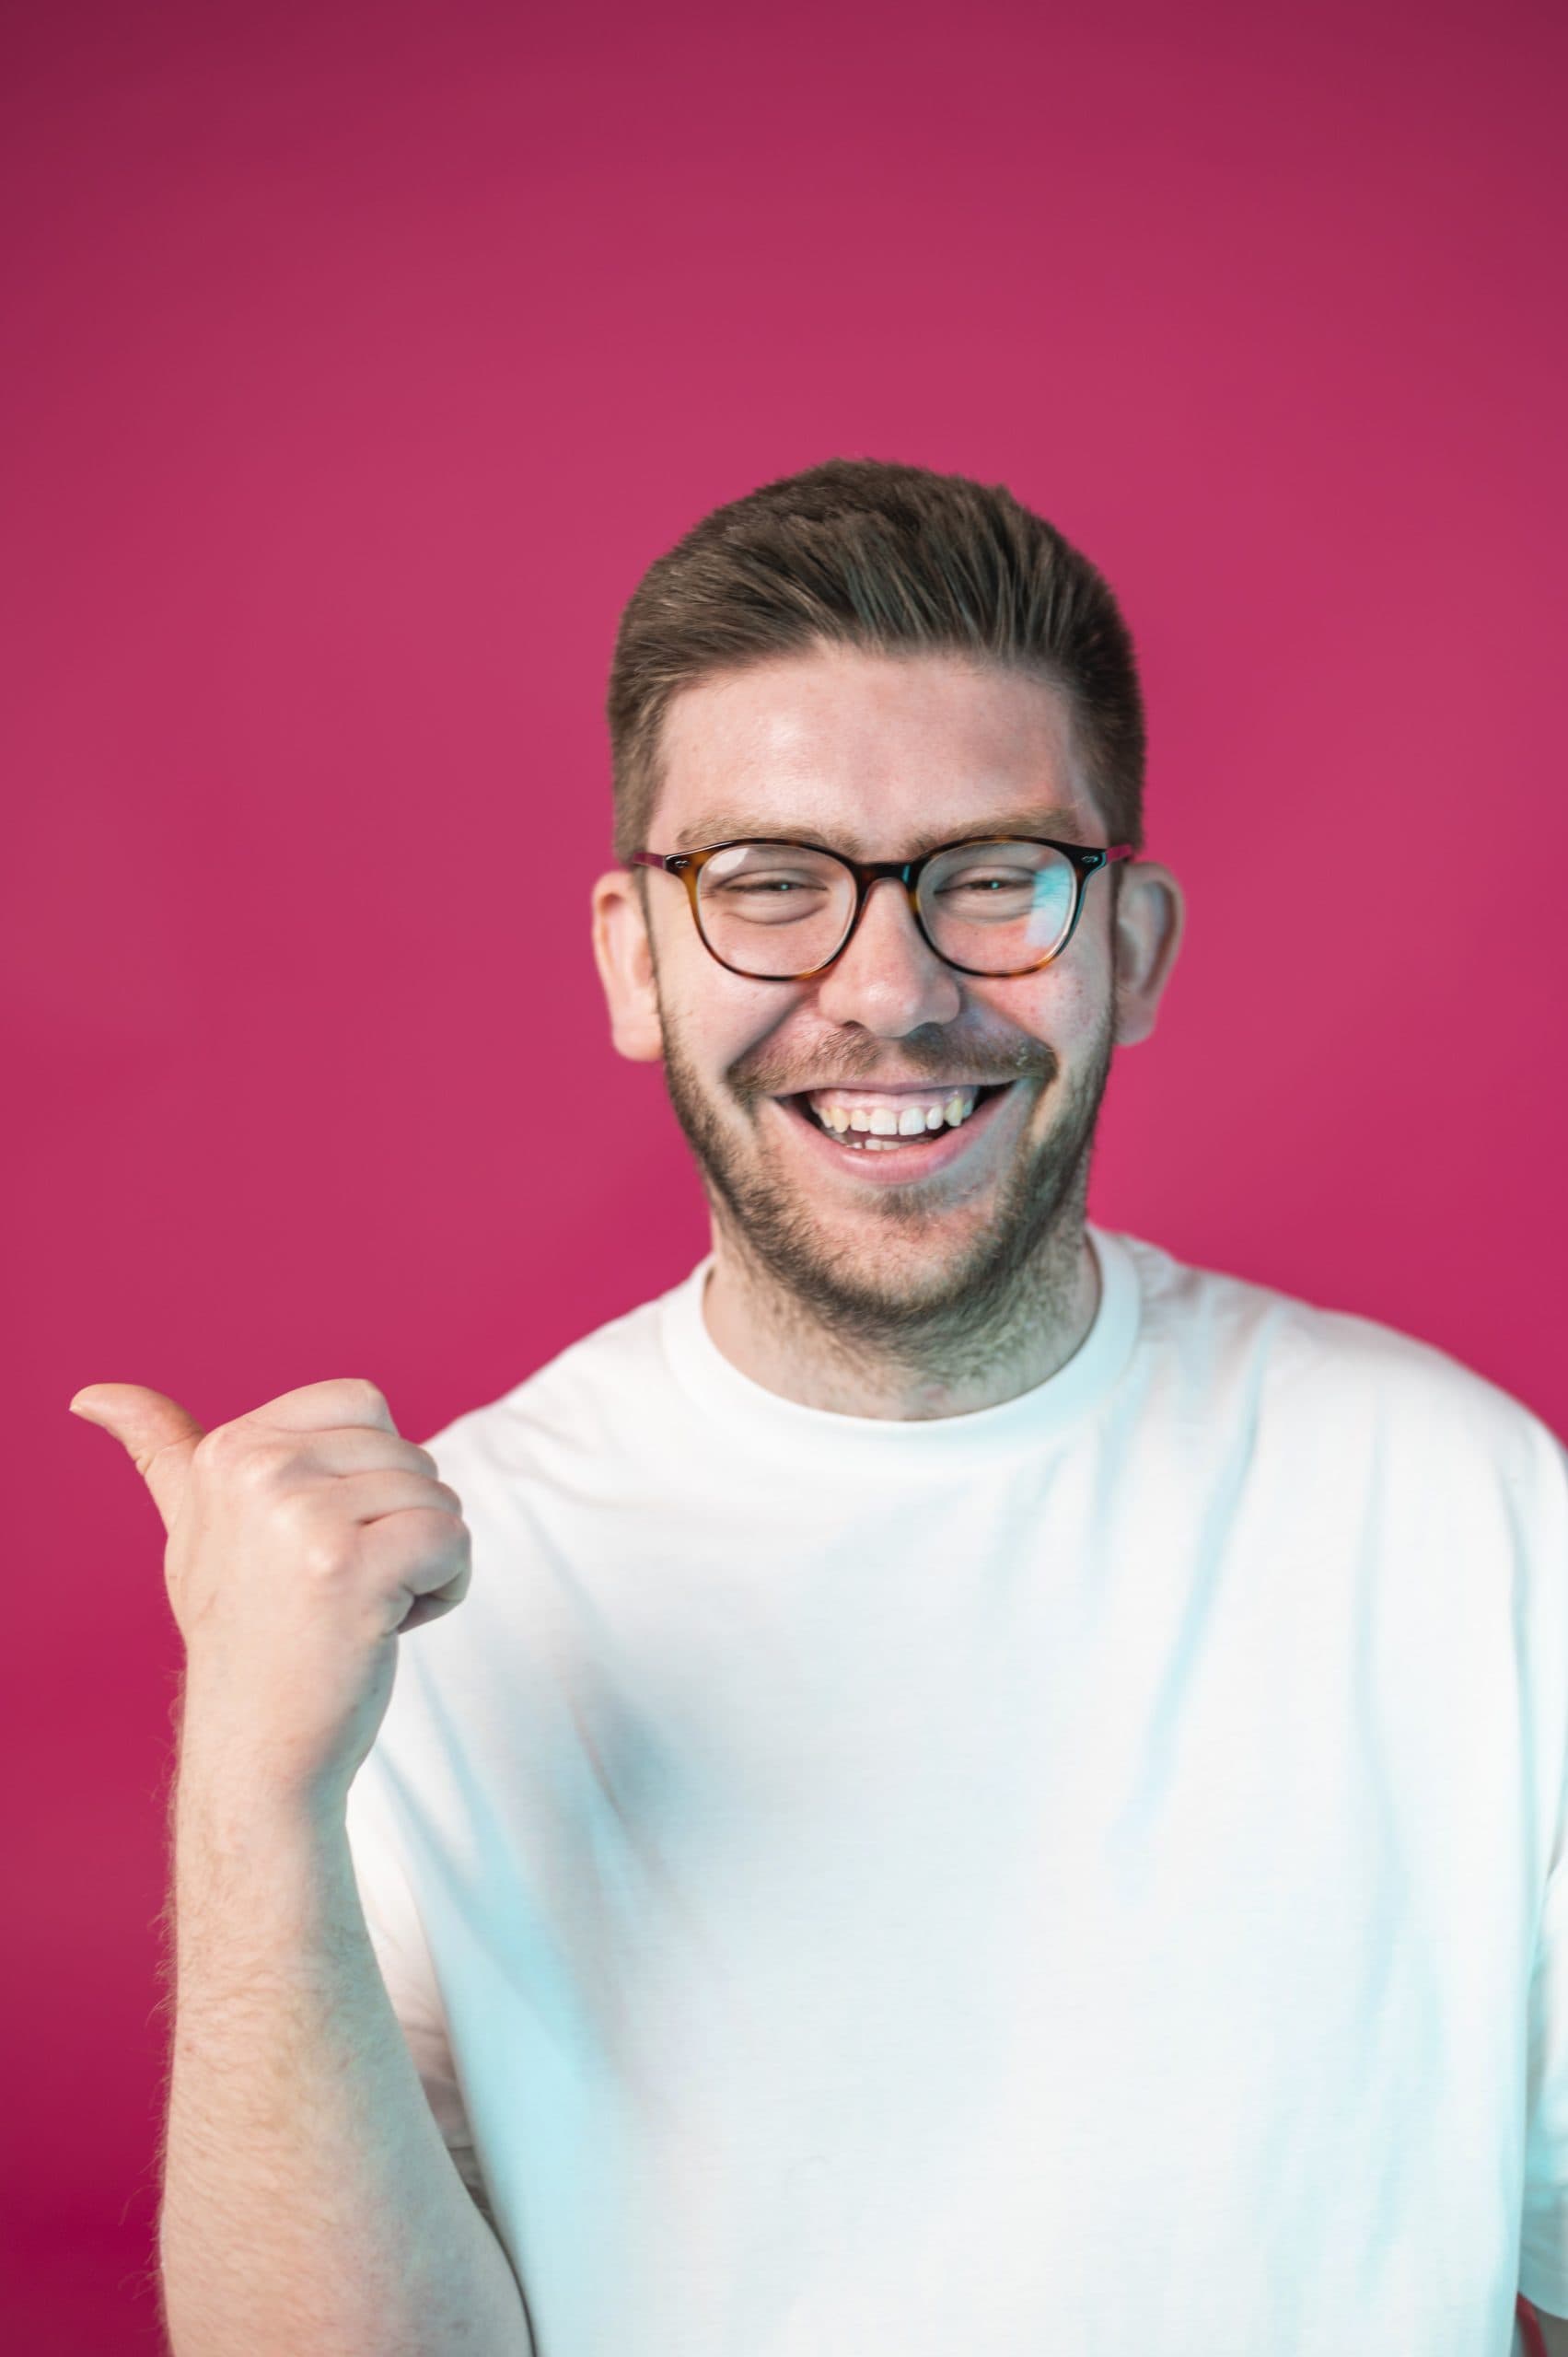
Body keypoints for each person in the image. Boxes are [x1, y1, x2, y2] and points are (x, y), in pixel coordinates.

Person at [74, 459, 1567, 2357]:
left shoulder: (1465, 1508)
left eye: (994, 880)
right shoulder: (428, 1597)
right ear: (636, 958)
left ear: (1132, 947)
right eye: (771, 884)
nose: (890, 987)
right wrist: (256, 1794)